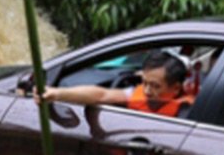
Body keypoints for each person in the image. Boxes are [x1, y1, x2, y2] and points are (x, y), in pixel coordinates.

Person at [38, 50, 195, 118]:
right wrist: (57, 94)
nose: (146, 91)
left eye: (155, 86)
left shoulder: (188, 109)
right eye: (144, 82)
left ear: (175, 88)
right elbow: (101, 95)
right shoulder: (136, 94)